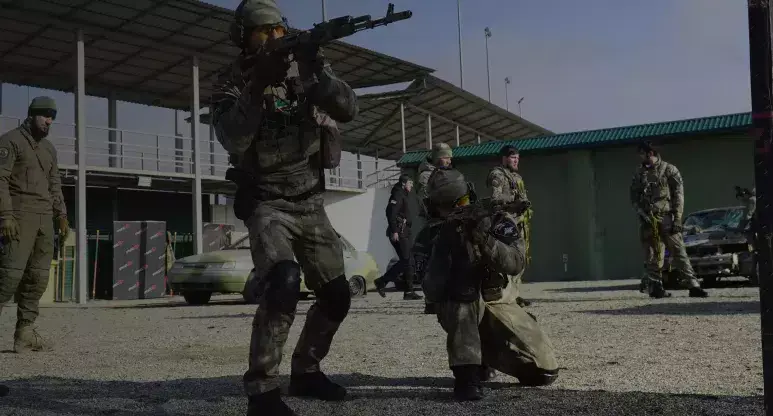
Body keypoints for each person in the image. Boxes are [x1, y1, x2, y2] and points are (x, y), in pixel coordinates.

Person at [211, 1, 358, 414]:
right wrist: (258, 84)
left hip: (309, 199)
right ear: (244, 37)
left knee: (337, 294)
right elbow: (234, 138)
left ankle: (306, 370)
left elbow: (348, 109)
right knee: (283, 281)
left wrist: (315, 68)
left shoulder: (305, 68)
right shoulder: (230, 81)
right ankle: (262, 390)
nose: (274, 36)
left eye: (279, 28)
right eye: (264, 30)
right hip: (267, 200)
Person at [422, 168, 559, 401]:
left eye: (463, 201)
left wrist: (485, 239)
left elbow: (516, 263)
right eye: (451, 206)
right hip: (460, 307)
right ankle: (467, 377)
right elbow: (431, 290)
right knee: (463, 295)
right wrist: (447, 245)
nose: (460, 209)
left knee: (543, 372)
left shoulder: (494, 220)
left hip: (499, 303)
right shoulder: (432, 234)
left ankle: (484, 356)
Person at [0, 96, 69, 353]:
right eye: (44, 115)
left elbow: (55, 184)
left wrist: (61, 215)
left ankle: (25, 333)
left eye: (52, 117)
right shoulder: (11, 141)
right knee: (9, 276)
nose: (49, 121)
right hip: (18, 217)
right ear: (31, 115)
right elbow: (0, 179)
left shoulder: (49, 149)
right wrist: (5, 215)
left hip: (44, 219)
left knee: (38, 277)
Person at [629, 141, 708, 298]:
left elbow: (678, 195)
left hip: (666, 218)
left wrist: (677, 218)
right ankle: (656, 287)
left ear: (650, 153)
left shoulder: (669, 170)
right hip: (648, 220)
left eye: (642, 154)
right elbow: (634, 196)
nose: (640, 158)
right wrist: (641, 213)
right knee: (652, 255)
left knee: (679, 252)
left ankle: (693, 286)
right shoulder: (639, 173)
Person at [487, 145, 533, 307]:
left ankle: (515, 294)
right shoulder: (498, 175)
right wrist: (513, 203)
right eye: (513, 158)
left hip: (519, 222)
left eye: (517, 158)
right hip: (506, 222)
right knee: (508, 259)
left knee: (521, 258)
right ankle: (506, 294)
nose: (516, 161)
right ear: (504, 158)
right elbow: (495, 199)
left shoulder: (516, 176)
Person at [414, 142, 454, 314]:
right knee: (432, 260)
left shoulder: (446, 173)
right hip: (433, 221)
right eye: (446, 157)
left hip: (449, 219)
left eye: (450, 158)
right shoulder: (426, 176)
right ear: (438, 158)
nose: (449, 160)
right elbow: (427, 200)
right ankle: (430, 300)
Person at [374, 175, 422, 300]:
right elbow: (390, 213)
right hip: (399, 232)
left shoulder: (406, 195)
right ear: (403, 183)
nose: (411, 185)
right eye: (410, 182)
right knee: (406, 260)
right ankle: (382, 281)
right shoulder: (397, 194)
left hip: (405, 231)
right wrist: (395, 230)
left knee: (409, 261)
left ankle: (409, 291)